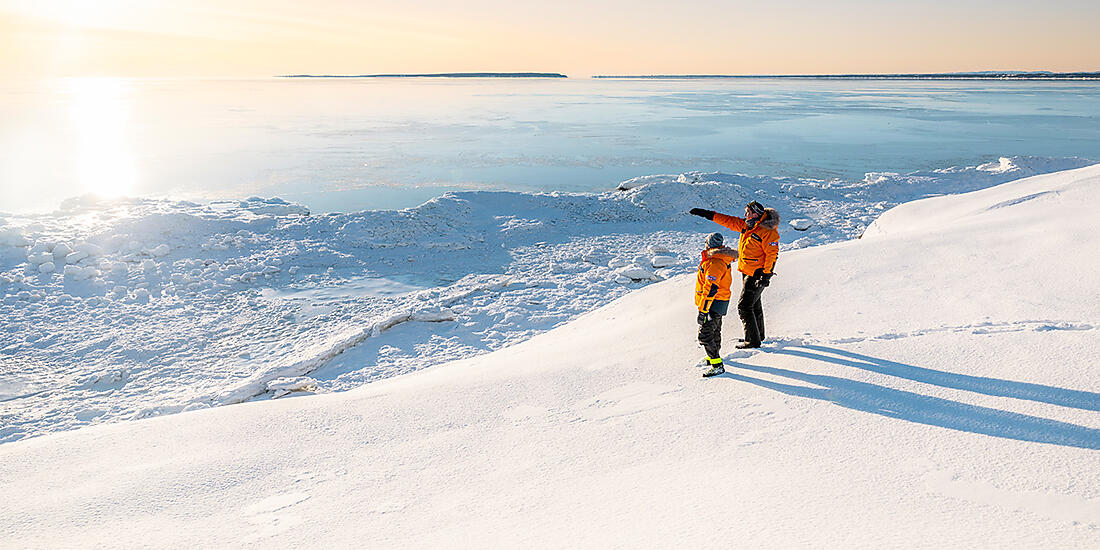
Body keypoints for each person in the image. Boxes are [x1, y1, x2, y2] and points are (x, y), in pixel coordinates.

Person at [690, 200, 780, 349]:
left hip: (757, 273)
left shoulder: (767, 231)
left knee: (744, 306)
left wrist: (766, 275)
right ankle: (758, 335)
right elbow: (728, 220)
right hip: (747, 270)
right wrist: (708, 214)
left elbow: (772, 254)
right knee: (754, 304)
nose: (745, 215)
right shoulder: (746, 225)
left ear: (756, 214)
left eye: (748, 212)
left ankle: (752, 341)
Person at [695, 232, 737, 377]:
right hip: (718, 301)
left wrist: (703, 310)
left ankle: (717, 365)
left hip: (712, 303)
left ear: (709, 244)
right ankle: (712, 358)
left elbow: (711, 288)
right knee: (715, 331)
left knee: (705, 335)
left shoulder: (715, 262)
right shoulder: (719, 259)